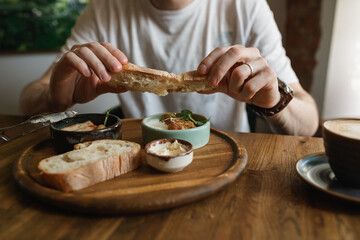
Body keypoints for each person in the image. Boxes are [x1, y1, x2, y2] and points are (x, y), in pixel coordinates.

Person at [20, 0, 319, 136]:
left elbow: (309, 121)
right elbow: (30, 97)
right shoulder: (105, 8)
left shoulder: (246, 7)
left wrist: (276, 101)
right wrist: (54, 100)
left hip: (228, 160)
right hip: (142, 162)